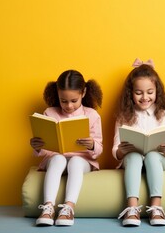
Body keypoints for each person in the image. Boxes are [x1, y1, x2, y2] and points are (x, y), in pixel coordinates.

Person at [30, 70, 103, 226]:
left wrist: (91, 145)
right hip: (56, 158)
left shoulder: (92, 115)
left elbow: (99, 148)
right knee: (57, 158)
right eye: (63, 101)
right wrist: (38, 147)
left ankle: (68, 208)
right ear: (57, 95)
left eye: (73, 101)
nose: (69, 106)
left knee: (75, 161)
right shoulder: (50, 113)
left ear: (83, 93)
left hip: (82, 160)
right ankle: (48, 207)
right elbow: (45, 149)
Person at [112, 58, 165, 227]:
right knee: (134, 156)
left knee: (153, 156)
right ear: (130, 93)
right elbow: (115, 152)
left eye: (150, 92)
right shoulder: (123, 116)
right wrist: (121, 150)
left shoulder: (163, 115)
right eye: (139, 93)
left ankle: (156, 207)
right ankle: (132, 208)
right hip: (133, 159)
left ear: (157, 91)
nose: (145, 97)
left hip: (158, 160)